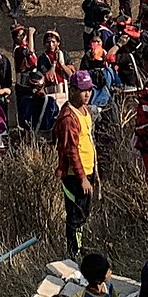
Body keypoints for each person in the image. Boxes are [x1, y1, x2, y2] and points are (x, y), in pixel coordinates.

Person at [56, 87, 97, 254]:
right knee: (76, 215)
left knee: (84, 213)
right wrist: (82, 178)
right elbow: (71, 150)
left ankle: (80, 247)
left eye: (89, 90)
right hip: (75, 176)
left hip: (89, 169)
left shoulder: (84, 110)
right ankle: (74, 252)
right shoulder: (68, 117)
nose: (87, 94)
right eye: (83, 91)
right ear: (72, 91)